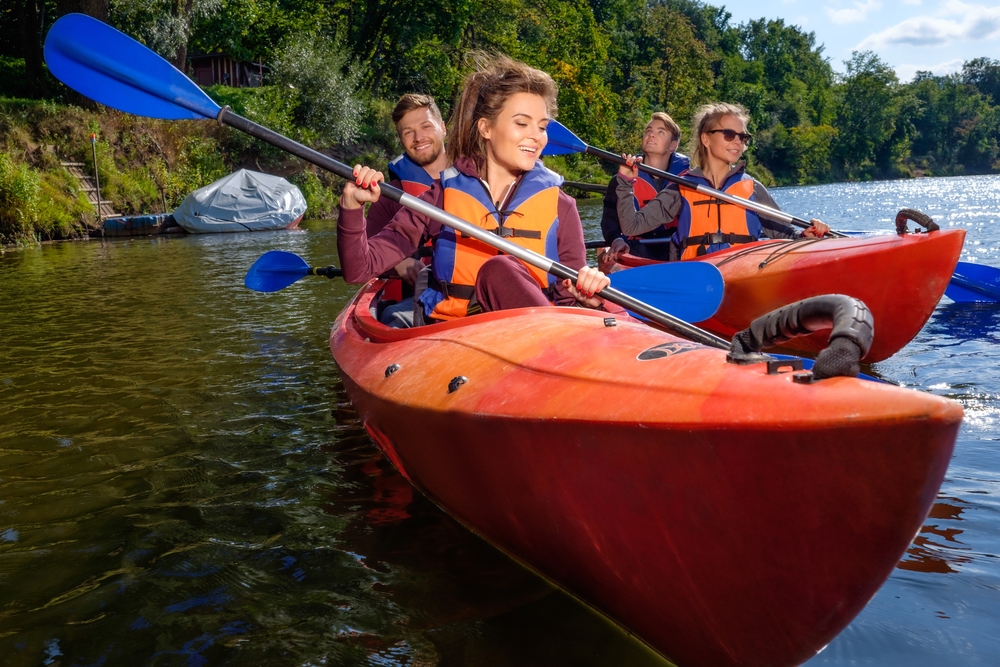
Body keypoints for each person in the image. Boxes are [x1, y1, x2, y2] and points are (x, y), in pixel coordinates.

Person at [337, 53, 610, 326]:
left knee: (500, 270)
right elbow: (359, 268)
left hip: (535, 338)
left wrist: (586, 295)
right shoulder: (441, 197)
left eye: (542, 127)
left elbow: (568, 300)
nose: (537, 136)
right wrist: (352, 207)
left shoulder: (561, 205)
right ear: (486, 128)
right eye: (522, 123)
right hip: (460, 336)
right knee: (498, 269)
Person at [608, 102, 830, 263]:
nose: (737, 142)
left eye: (743, 137)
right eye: (728, 134)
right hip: (697, 274)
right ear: (706, 138)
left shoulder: (752, 188)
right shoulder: (681, 187)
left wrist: (805, 236)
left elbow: (787, 236)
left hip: (743, 273)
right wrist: (626, 182)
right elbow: (632, 226)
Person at [363, 93, 451, 326]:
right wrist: (398, 263)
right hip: (411, 298)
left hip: (467, 293)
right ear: (401, 140)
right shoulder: (390, 194)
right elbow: (365, 252)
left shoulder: (476, 181)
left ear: (443, 128)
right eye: (408, 132)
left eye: (426, 126)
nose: (418, 137)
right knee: (396, 319)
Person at [600, 112, 689, 261]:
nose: (651, 135)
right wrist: (616, 239)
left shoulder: (688, 180)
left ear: (673, 145)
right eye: (648, 131)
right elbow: (609, 220)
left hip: (678, 250)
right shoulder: (622, 179)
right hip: (636, 249)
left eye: (661, 132)